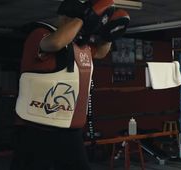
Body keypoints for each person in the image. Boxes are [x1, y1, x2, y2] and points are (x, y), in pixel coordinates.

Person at [10, 0, 130, 169]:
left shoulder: (81, 44)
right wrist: (84, 18)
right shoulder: (40, 34)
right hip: (36, 129)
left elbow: (101, 52)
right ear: (66, 18)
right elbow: (55, 43)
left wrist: (109, 35)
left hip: (69, 131)